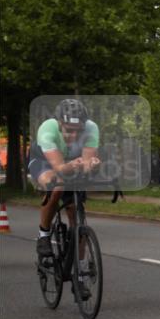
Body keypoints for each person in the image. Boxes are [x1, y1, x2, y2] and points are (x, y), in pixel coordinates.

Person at [29, 99, 101, 259]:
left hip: (72, 160)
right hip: (44, 161)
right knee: (56, 187)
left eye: (78, 131)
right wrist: (74, 165)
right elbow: (60, 168)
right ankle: (44, 235)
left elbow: (87, 162)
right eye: (69, 130)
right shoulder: (48, 129)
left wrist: (92, 165)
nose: (74, 135)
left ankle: (79, 269)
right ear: (59, 123)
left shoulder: (91, 128)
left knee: (77, 216)